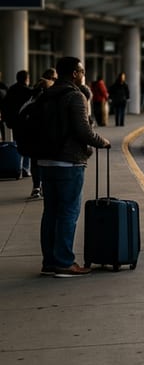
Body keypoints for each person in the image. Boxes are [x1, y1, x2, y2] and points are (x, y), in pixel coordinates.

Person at [38, 56, 111, 277]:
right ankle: (64, 262)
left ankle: (50, 262)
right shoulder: (75, 96)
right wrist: (102, 142)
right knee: (68, 213)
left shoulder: (45, 95)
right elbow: (83, 131)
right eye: (81, 71)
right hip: (68, 162)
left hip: (45, 161)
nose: (83, 75)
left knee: (50, 212)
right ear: (74, 74)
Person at [26, 69, 58, 198]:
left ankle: (36, 187)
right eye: (55, 79)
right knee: (45, 161)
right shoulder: (48, 93)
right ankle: (43, 187)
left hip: (34, 132)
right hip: (45, 132)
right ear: (50, 79)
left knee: (36, 160)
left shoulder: (34, 92)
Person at [2, 70, 34, 179]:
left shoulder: (11, 90)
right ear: (26, 79)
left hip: (15, 122)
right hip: (26, 122)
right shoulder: (28, 91)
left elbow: (5, 106)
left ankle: (18, 168)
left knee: (18, 144)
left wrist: (8, 120)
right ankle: (26, 169)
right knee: (28, 144)